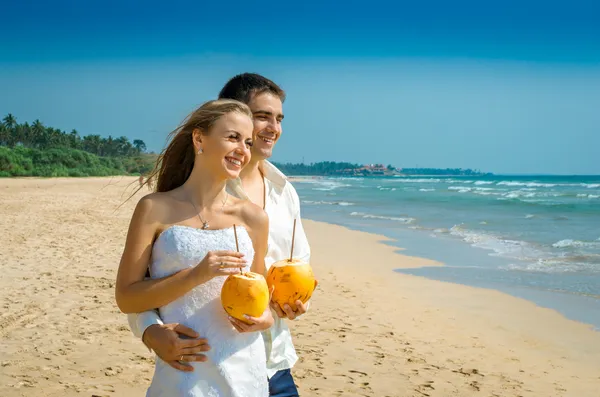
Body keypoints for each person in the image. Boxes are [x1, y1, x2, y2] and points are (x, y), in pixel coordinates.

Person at [128, 73, 312, 397]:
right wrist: (149, 330)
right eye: (262, 117)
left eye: (279, 119)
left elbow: (291, 272)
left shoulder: (285, 195)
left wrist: (291, 304)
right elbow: (136, 288)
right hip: (194, 367)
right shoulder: (170, 203)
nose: (273, 128)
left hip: (273, 360)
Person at [115, 99, 274, 396]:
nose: (243, 149)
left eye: (248, 141)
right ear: (199, 139)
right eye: (232, 137)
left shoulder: (255, 218)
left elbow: (260, 295)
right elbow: (126, 297)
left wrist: (267, 317)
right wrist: (196, 275)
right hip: (183, 375)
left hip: (244, 373)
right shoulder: (153, 209)